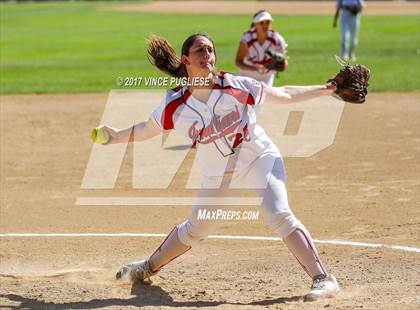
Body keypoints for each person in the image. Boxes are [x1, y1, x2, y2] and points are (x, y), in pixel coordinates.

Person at [100, 33, 340, 301]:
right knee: (195, 229)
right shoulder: (175, 105)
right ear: (186, 59)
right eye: (200, 50)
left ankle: (323, 278)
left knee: (278, 212)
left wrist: (327, 88)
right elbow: (147, 129)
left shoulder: (234, 85)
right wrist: (116, 136)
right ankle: (146, 267)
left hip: (259, 157)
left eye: (210, 50)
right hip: (219, 175)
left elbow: (283, 94)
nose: (207, 55)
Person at [235, 10, 288, 86]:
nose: (265, 25)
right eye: (261, 22)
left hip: (266, 78)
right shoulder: (247, 39)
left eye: (267, 22)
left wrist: (282, 65)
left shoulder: (277, 39)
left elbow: (285, 63)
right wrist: (255, 68)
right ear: (255, 24)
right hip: (246, 77)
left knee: (264, 98)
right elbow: (238, 62)